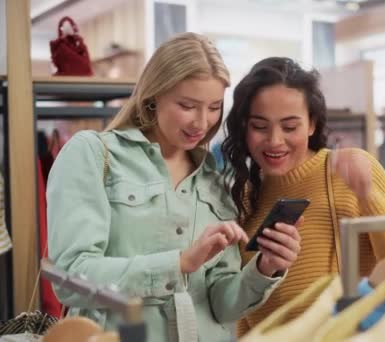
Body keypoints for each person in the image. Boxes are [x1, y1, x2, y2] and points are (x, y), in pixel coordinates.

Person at [47, 33, 301, 342]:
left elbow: (221, 305)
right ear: (154, 95)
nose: (202, 122)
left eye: (214, 107)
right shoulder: (93, 154)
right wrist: (178, 264)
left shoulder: (217, 178)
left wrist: (264, 269)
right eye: (187, 105)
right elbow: (72, 277)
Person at [222, 57, 385, 335]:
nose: (274, 140)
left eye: (290, 127)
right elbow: (243, 311)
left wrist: (369, 197)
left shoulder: (350, 168)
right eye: (260, 126)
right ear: (245, 126)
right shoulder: (243, 195)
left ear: (312, 124)